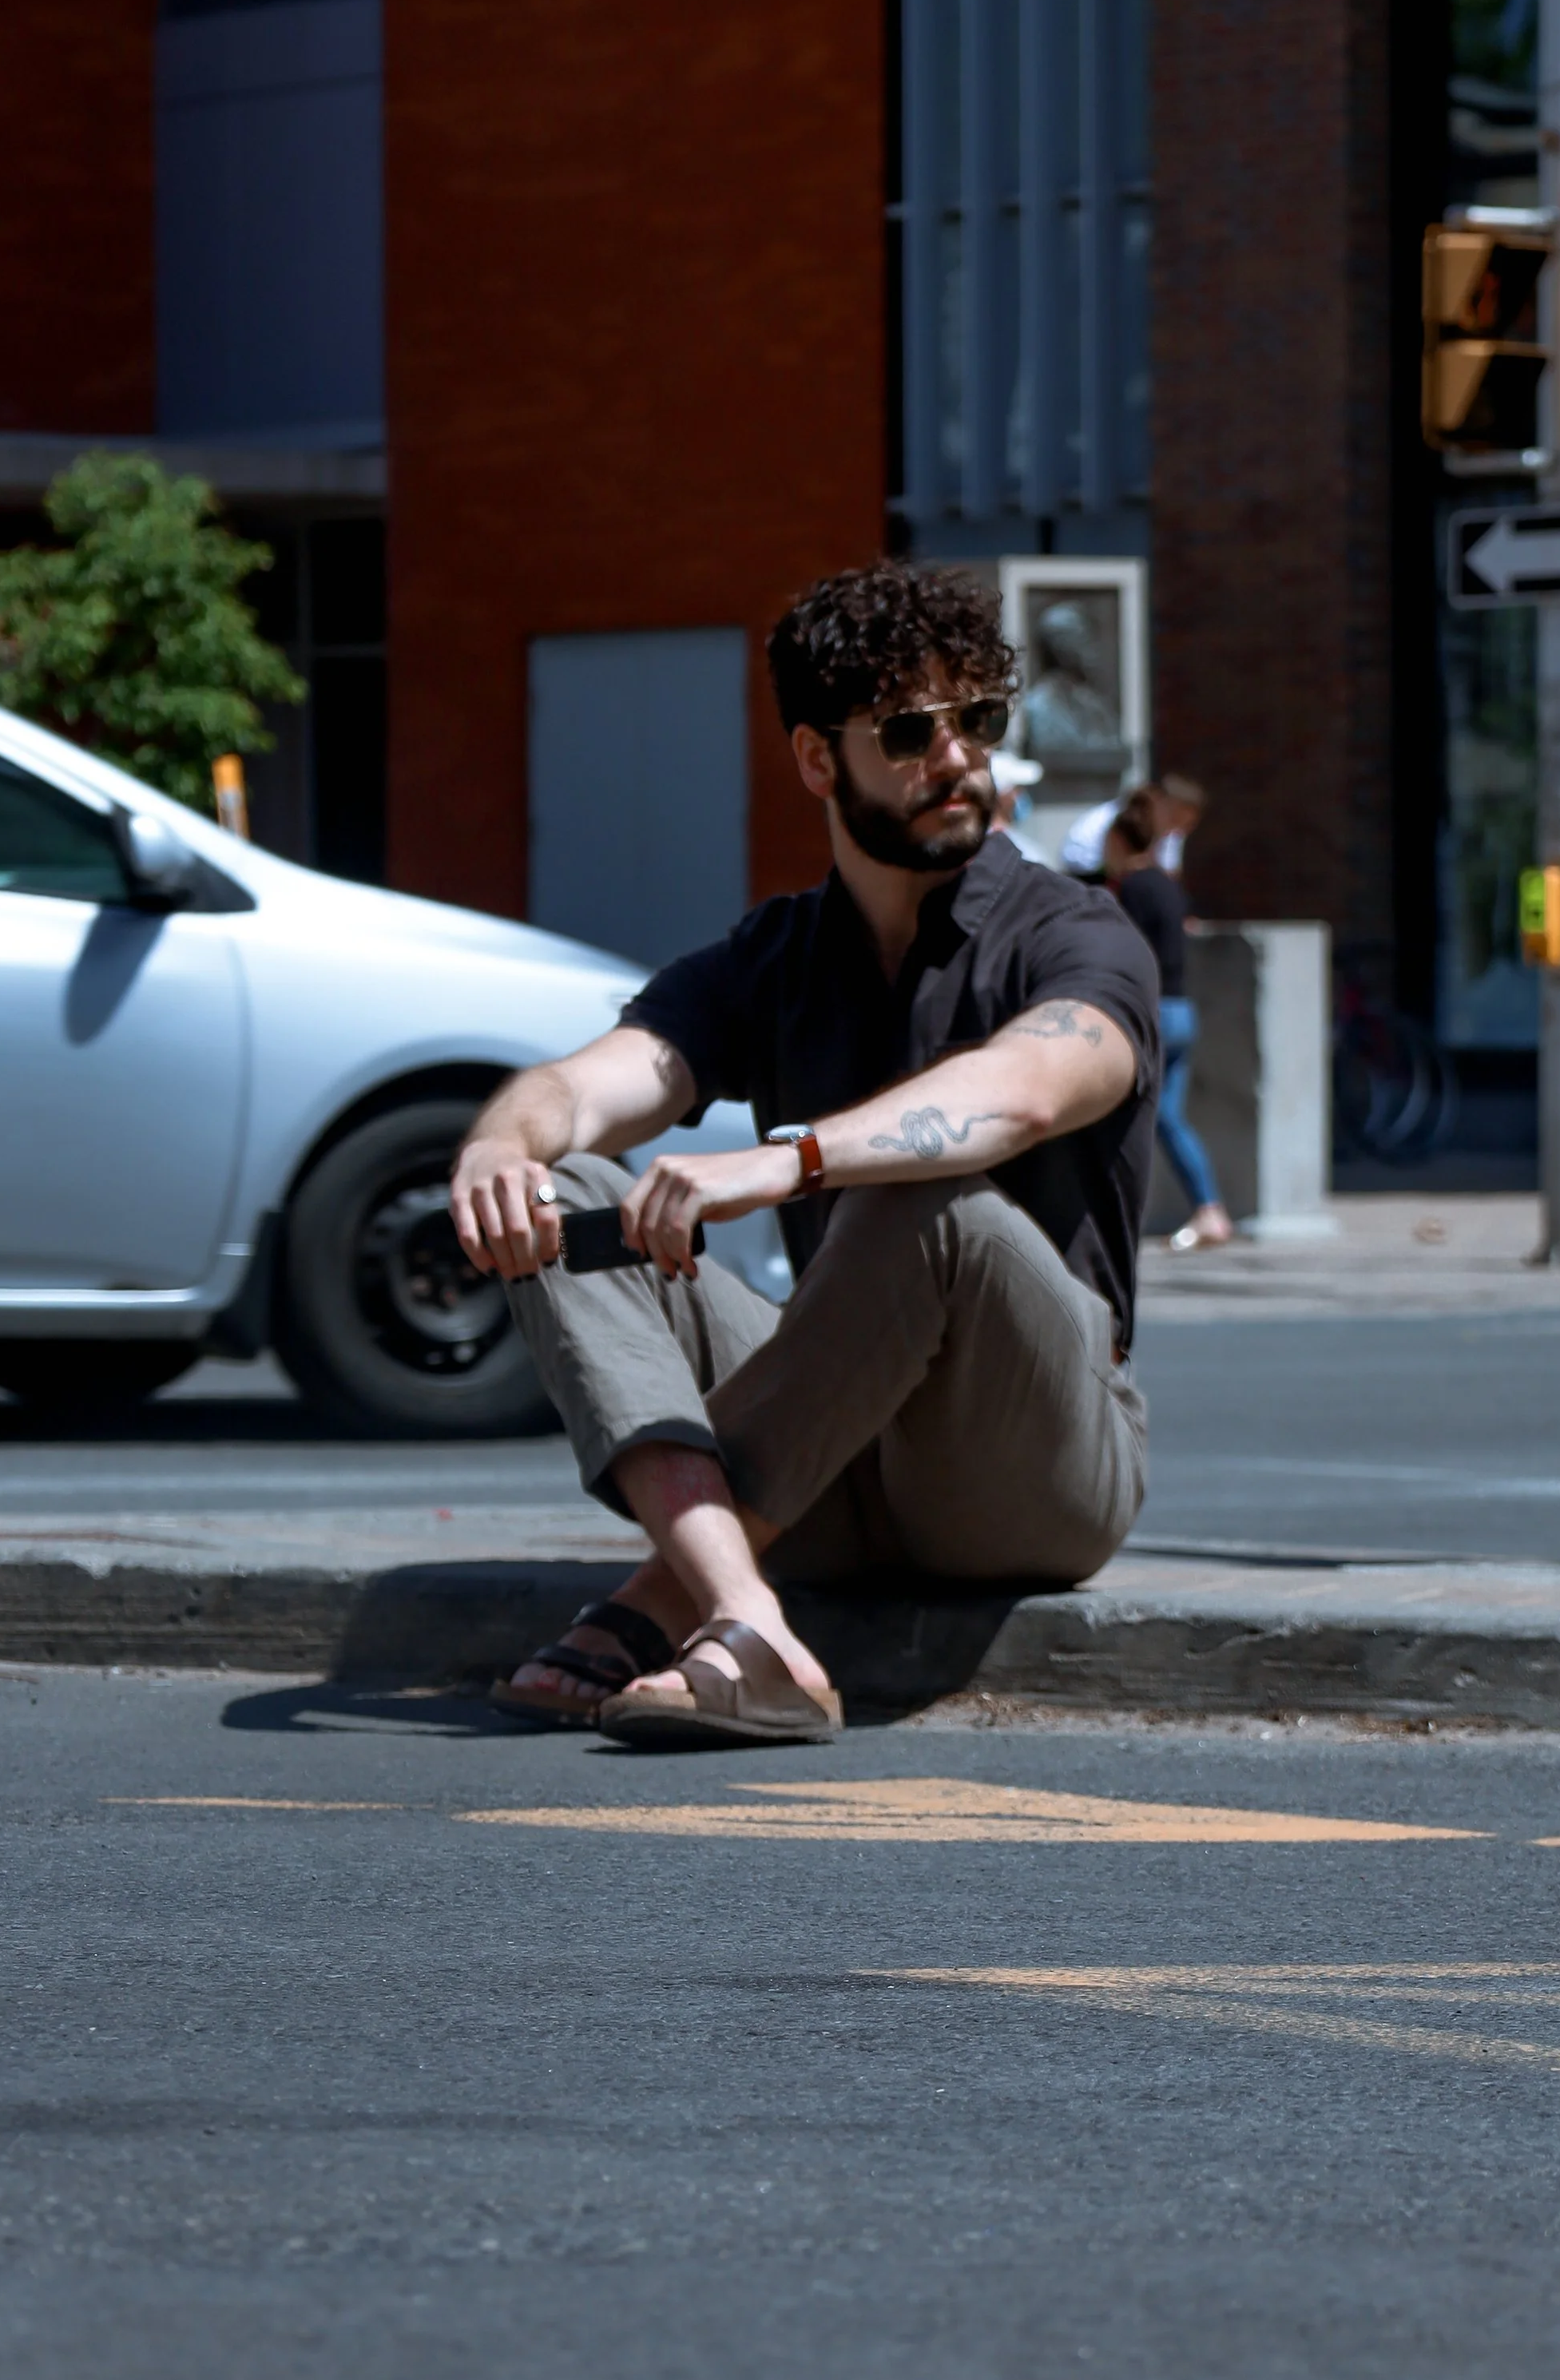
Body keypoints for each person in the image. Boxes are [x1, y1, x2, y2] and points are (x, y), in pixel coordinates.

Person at [450, 561, 1161, 1748]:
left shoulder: (1077, 930)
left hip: (1031, 1469)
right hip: (838, 1468)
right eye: (910, 730)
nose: (958, 758)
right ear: (819, 760)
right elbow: (586, 1085)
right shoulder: (776, 954)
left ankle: (661, 1599)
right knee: (571, 1196)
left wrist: (795, 1158)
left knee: (921, 1195)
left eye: (977, 719)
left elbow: (1029, 1090)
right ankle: (746, 1612)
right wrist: (497, 1146)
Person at [1103, 788, 1232, 1254]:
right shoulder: (1168, 887)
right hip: (1181, 1011)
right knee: (1170, 1120)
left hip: (1150, 1013)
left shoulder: (1132, 889)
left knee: (1124, 1119)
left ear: (1118, 840)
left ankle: (1114, 1216)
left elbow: (1124, 952)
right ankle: (1209, 1209)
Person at [1061, 770, 1205, 885]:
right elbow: (1121, 864)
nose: (1182, 829)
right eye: (1177, 819)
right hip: (1089, 874)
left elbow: (1170, 873)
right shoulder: (1130, 816)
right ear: (1164, 804)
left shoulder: (1169, 830)